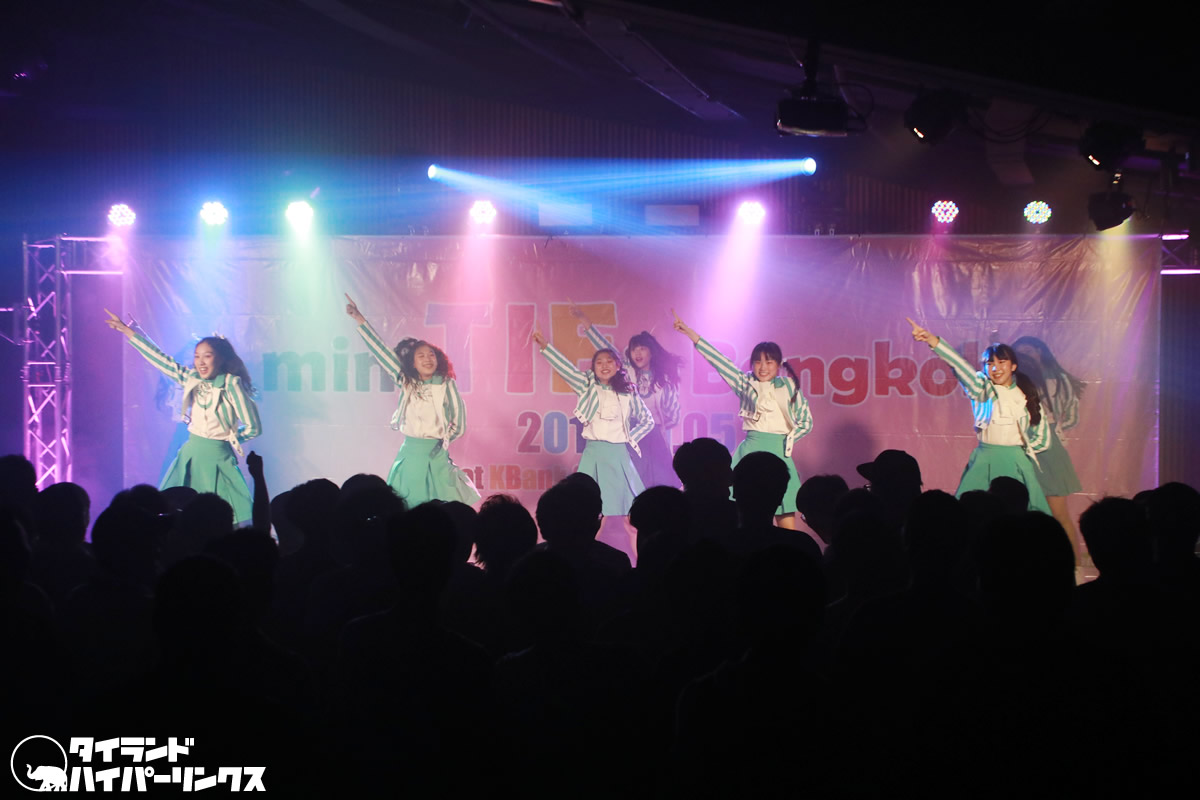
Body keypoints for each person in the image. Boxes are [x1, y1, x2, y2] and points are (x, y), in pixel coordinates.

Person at [103, 310, 260, 525]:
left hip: (219, 457)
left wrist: (229, 439)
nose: (200, 362)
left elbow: (253, 428)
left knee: (221, 518)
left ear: (221, 358)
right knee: (180, 512)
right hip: (190, 454)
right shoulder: (191, 378)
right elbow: (162, 361)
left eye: (207, 356)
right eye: (197, 356)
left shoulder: (231, 384)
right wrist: (129, 332)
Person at [672, 310, 812, 529]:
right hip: (750, 450)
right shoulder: (745, 383)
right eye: (758, 362)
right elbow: (720, 362)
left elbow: (806, 421)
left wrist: (787, 441)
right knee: (743, 516)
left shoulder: (789, 386)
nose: (763, 367)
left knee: (785, 518)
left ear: (778, 364)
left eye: (769, 362)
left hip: (780, 453)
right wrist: (692, 334)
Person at [345, 294, 479, 507]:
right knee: (407, 505)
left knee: (442, 509)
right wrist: (359, 318)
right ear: (413, 363)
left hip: (436, 455)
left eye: (431, 355)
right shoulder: (406, 381)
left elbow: (459, 423)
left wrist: (443, 443)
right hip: (410, 454)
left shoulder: (446, 384)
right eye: (421, 356)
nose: (428, 359)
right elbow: (382, 352)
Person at [907, 318, 1051, 514]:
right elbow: (959, 365)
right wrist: (931, 340)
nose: (995, 368)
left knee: (1020, 514)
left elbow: (1043, 438)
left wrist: (1021, 452)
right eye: (990, 363)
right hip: (985, 458)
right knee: (972, 511)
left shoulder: (1026, 395)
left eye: (1002, 362)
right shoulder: (982, 387)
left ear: (1013, 366)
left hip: (1016, 461)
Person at [531, 324, 654, 518]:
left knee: (623, 508)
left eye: (609, 361)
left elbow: (648, 420)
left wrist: (630, 438)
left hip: (619, 455)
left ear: (618, 366)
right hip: (594, 454)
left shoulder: (628, 392)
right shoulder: (587, 387)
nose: (604, 366)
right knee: (587, 506)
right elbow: (567, 370)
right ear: (594, 368)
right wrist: (546, 346)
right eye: (599, 363)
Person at [570, 302, 682, 488]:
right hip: (628, 433)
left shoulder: (664, 381)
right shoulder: (626, 370)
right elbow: (602, 345)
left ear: (651, 352)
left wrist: (658, 425)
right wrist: (583, 319)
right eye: (634, 349)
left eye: (642, 348)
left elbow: (673, 415)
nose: (637, 353)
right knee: (630, 481)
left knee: (659, 483)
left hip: (654, 435)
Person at [1012, 336, 1086, 562]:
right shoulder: (1018, 381)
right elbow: (1071, 418)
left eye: (1027, 352)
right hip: (1025, 443)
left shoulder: (1052, 380)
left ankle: (1074, 568)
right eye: (1020, 354)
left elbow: (1071, 416)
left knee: (1057, 513)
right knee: (1028, 512)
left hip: (1045, 447)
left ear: (1040, 352)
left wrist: (1054, 429)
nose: (1024, 357)